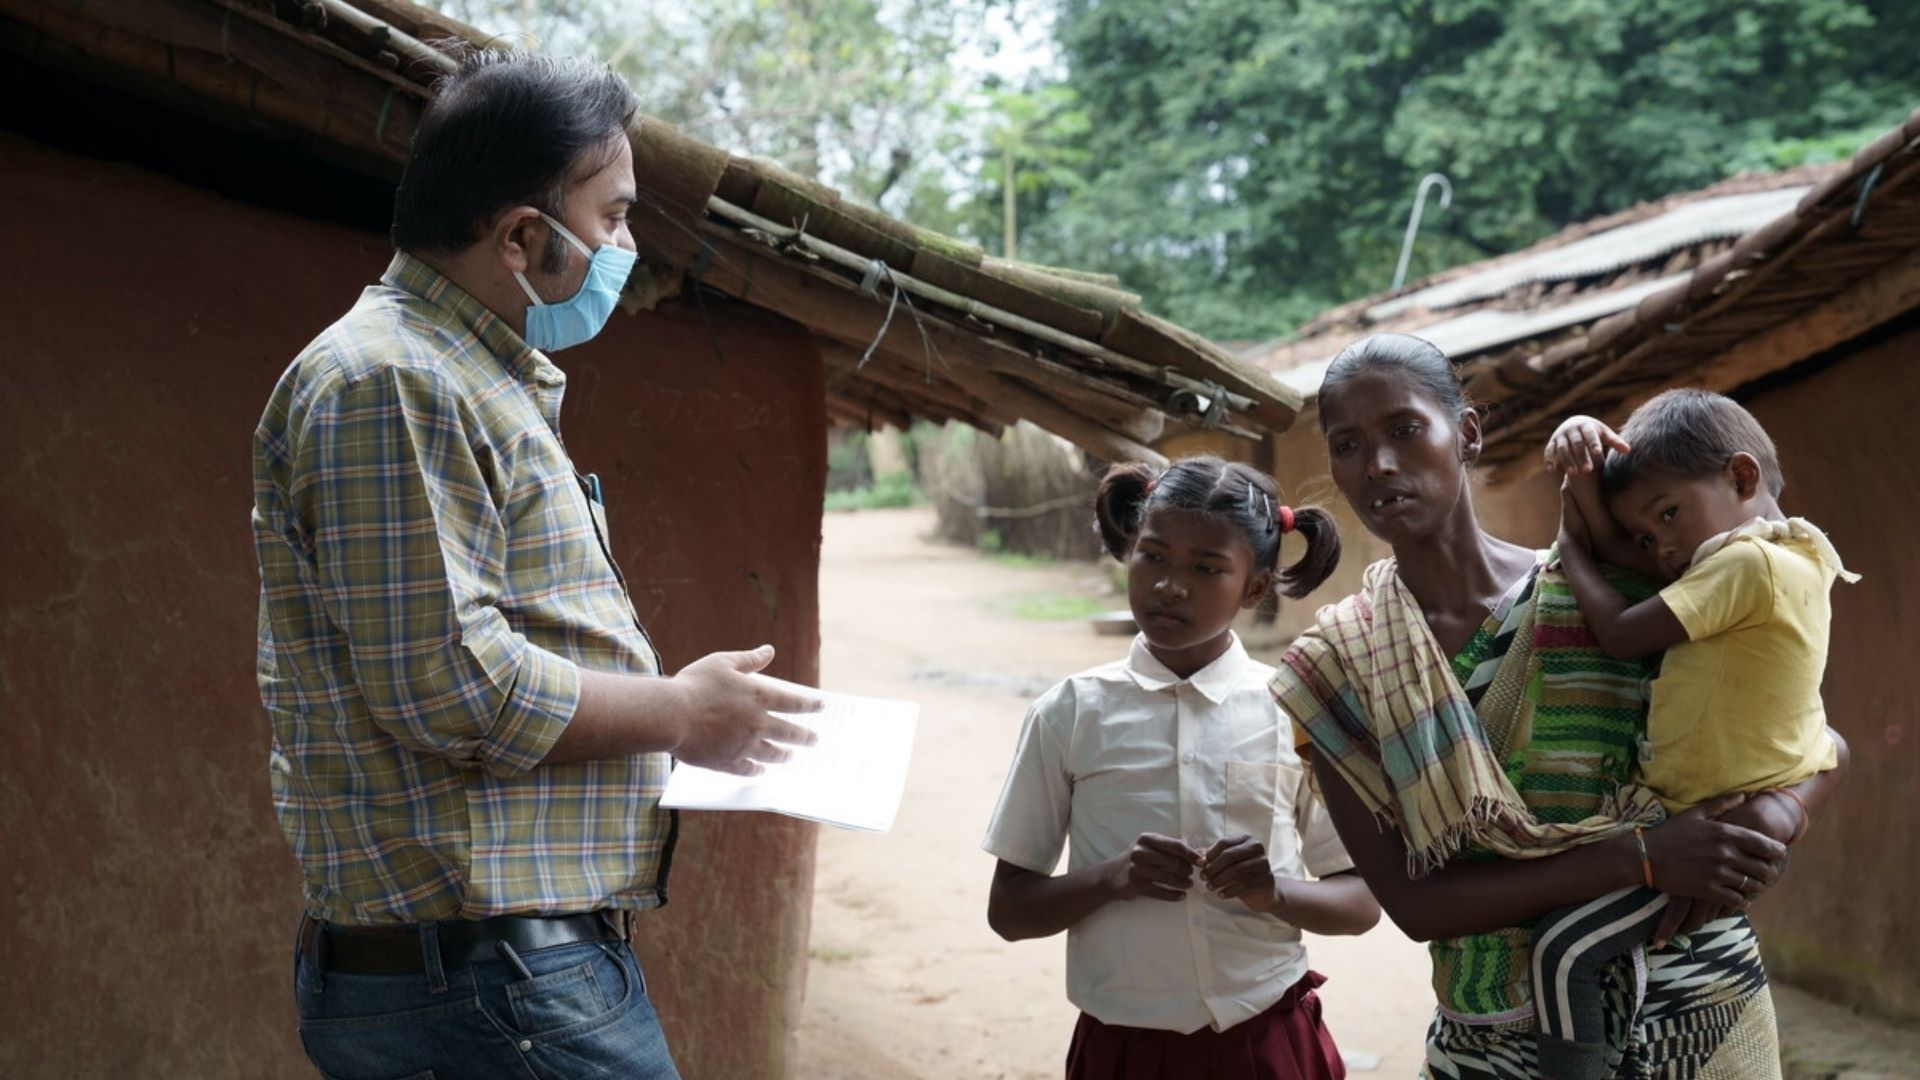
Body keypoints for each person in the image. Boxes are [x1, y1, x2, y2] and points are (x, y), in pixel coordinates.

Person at [251, 52, 816, 1079]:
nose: (624, 247)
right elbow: (453, 687)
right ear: (521, 236)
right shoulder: (394, 381)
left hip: (501, 976)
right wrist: (682, 712)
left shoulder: (465, 378)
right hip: (487, 986)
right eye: (612, 217)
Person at [1269, 333, 1849, 1079]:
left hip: (1699, 1006)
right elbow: (1417, 908)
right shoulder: (1339, 668)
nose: (1378, 463)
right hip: (1494, 1043)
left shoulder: (1624, 590)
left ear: (1467, 433)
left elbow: (1814, 736)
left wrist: (1781, 813)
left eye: (1405, 430)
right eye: (1347, 445)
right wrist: (1640, 857)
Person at [983, 455, 1380, 1080]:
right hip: (1124, 1051)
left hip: (1267, 1043)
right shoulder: (1070, 713)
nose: (1170, 585)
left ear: (1254, 587)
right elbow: (1009, 910)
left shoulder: (1296, 711)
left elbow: (1359, 901)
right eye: (1154, 556)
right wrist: (1111, 877)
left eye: (1206, 568)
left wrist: (1275, 892)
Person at [1525, 392, 1857, 1078]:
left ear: (1741, 479)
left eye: (1668, 515)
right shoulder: (1782, 556)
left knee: (1561, 951)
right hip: (1734, 818)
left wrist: (1568, 556)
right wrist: (1582, 459)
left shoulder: (1745, 566)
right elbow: (1622, 545)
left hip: (1704, 828)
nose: (1661, 547)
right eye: (1649, 536)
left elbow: (1618, 631)